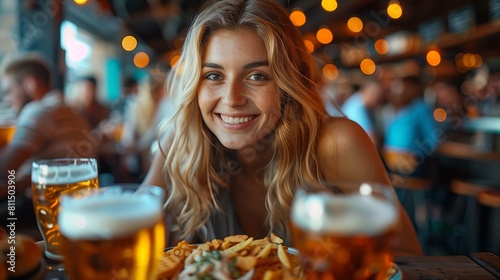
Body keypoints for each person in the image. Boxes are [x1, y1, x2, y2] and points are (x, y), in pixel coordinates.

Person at [142, 0, 422, 255]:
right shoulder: (181, 143)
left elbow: (408, 261)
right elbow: (129, 228)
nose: (231, 99)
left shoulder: (336, 143)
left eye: (257, 76)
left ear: (289, 86)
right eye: (214, 75)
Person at [0, 52, 97, 196]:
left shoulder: (39, 111)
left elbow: (4, 170)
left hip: (45, 204)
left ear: (30, 84)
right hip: (75, 199)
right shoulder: (68, 109)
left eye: (8, 91)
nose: (6, 100)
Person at [341, 80, 384, 147]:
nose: (378, 102)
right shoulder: (358, 108)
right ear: (370, 93)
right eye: (377, 97)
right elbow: (372, 141)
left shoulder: (358, 101)